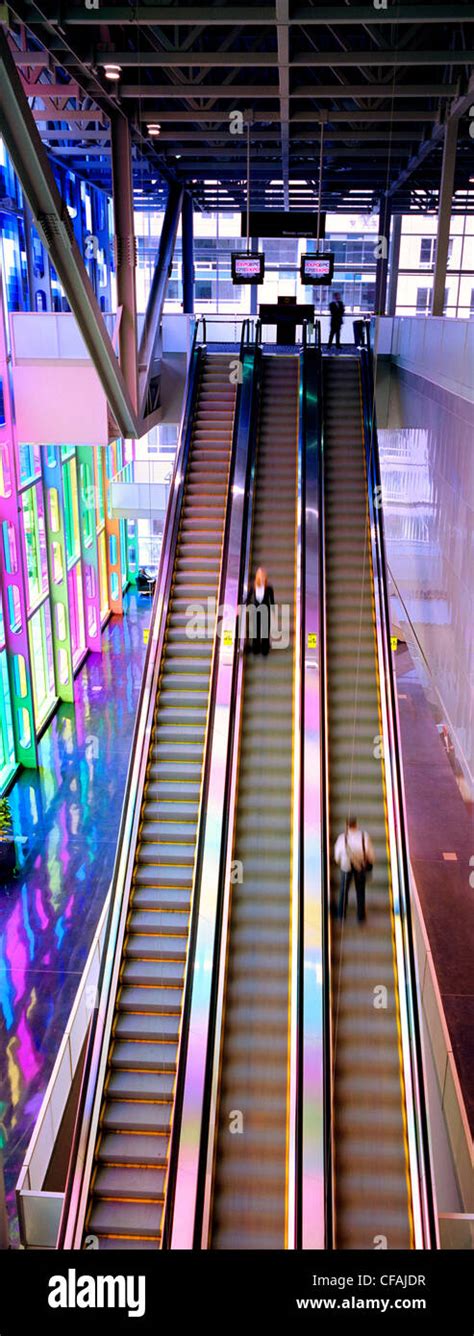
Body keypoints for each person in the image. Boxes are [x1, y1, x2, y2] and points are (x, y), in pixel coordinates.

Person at [334, 816, 374, 923]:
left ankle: (341, 915)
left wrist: (340, 862)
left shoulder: (342, 838)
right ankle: (361, 917)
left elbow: (337, 856)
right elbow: (370, 854)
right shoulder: (364, 836)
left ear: (346, 825)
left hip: (346, 867)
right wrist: (369, 862)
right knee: (360, 892)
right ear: (356, 824)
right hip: (360, 867)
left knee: (344, 891)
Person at [247, 566, 275, 656]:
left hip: (266, 612)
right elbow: (248, 599)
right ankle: (255, 648)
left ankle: (265, 649)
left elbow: (272, 602)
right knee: (256, 631)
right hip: (255, 612)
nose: (262, 576)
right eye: (260, 575)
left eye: (263, 575)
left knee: (265, 631)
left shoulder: (269, 588)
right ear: (257, 576)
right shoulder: (253, 587)